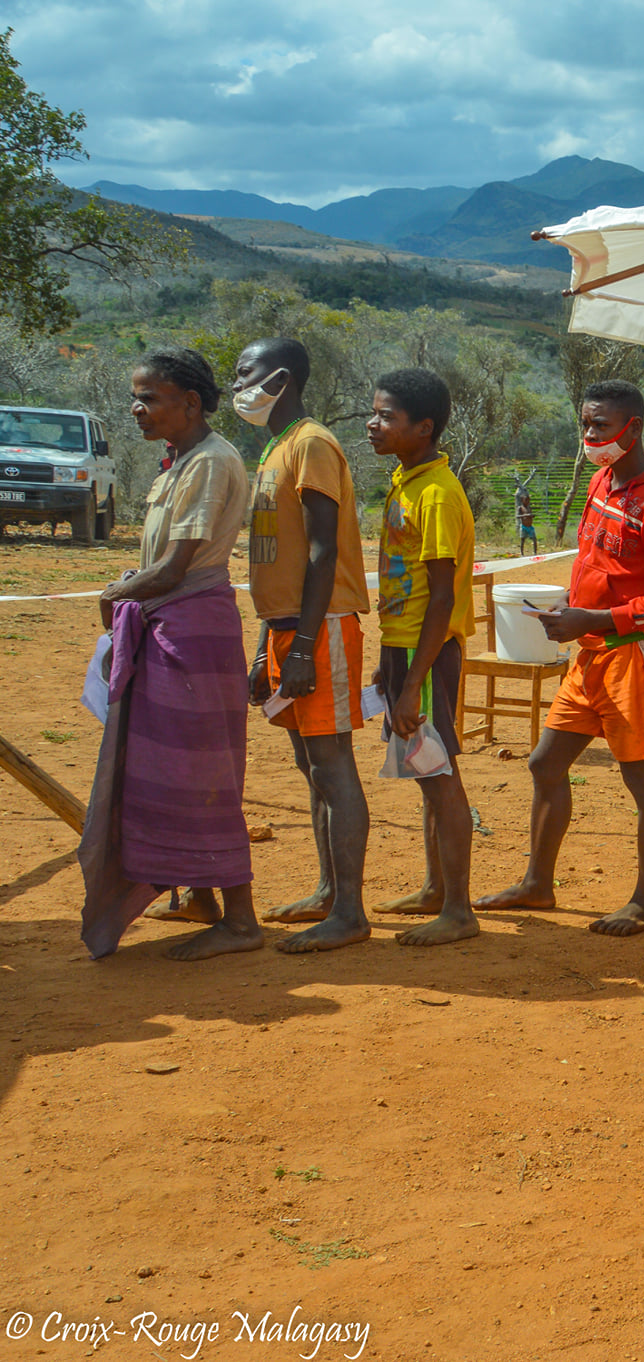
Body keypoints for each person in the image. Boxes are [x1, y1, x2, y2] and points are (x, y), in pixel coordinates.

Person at [474, 380, 644, 936]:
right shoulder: (601, 481)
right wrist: (569, 609)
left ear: (634, 428)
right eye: (585, 424)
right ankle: (537, 884)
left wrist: (595, 620)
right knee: (545, 764)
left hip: (632, 657)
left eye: (599, 426)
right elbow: (596, 564)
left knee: (642, 779)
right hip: (589, 655)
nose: (589, 436)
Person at [80, 349, 256, 961]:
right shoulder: (180, 463)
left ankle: (241, 919)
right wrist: (131, 589)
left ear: (188, 401)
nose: (138, 408)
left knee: (198, 773)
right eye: (136, 396)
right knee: (171, 769)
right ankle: (204, 897)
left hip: (190, 633)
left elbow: (177, 567)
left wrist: (118, 592)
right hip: (173, 624)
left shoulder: (210, 462)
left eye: (149, 397)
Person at [232, 337, 376, 954]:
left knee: (333, 766)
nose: (237, 383)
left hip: (322, 629)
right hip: (290, 628)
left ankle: (350, 911)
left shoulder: (312, 443)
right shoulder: (275, 449)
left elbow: (323, 551)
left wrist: (303, 646)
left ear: (281, 378)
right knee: (309, 766)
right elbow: (284, 561)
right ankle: (327, 888)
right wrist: (270, 644)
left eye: (247, 373)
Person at [368, 368, 479, 949]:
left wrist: (412, 684)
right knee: (423, 771)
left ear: (425, 427)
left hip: (426, 653)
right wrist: (389, 667)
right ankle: (437, 888)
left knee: (439, 773)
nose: (373, 423)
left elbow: (441, 595)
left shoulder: (435, 493)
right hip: (404, 648)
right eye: (375, 412)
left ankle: (459, 909)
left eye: (387, 415)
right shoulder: (405, 480)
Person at [515, 479, 538, 553]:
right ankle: (522, 553)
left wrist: (531, 516)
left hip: (530, 526)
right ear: (522, 500)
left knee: (534, 539)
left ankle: (535, 552)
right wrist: (525, 515)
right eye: (526, 500)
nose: (527, 501)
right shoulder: (520, 508)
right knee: (522, 540)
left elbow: (531, 515)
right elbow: (517, 516)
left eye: (528, 500)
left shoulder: (529, 507)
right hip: (524, 526)